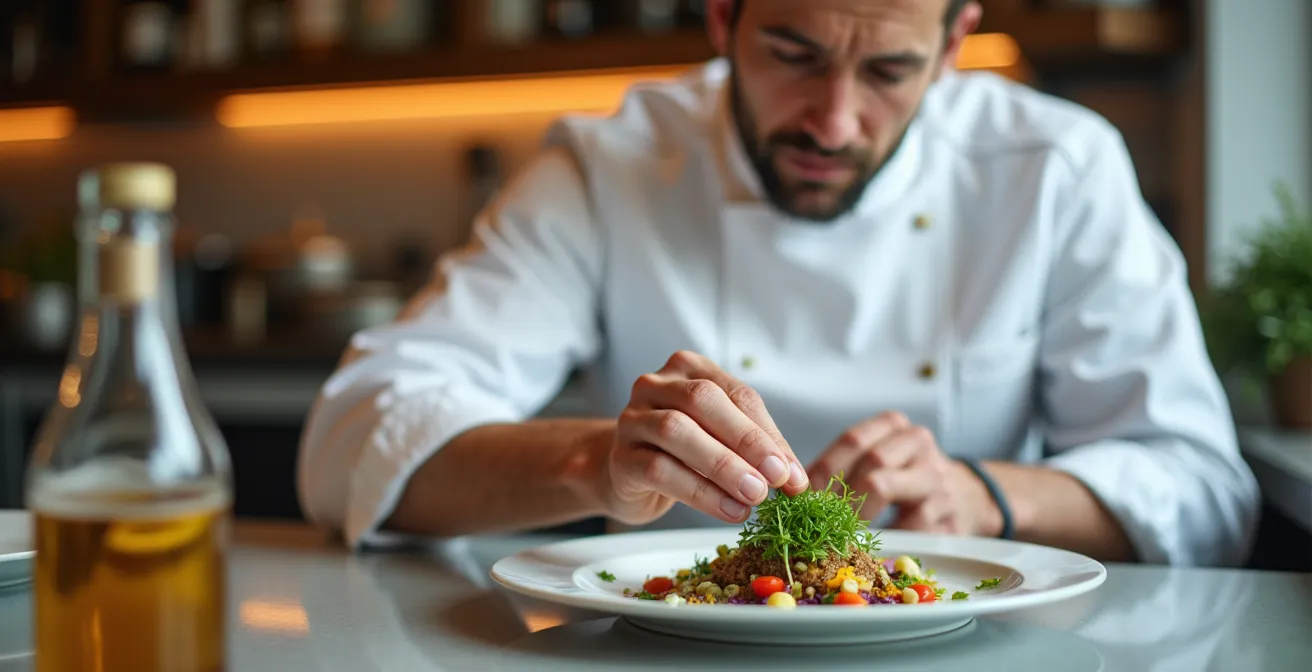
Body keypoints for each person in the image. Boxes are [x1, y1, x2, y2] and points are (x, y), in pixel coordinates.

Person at [297, 0, 1259, 567]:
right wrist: (604, 463)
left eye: (889, 69)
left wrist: (985, 495)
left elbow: (1206, 491)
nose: (834, 123)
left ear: (956, 43)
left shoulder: (1058, 167)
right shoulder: (612, 163)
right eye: (794, 55)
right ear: (723, 17)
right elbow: (350, 443)